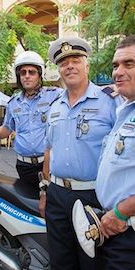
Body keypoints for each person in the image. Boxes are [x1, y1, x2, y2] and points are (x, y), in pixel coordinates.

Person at [42, 37, 123, 270]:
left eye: (75, 60)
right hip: (57, 195)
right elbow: (49, 149)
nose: (69, 66)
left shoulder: (110, 101)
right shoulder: (55, 106)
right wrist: (45, 189)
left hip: (93, 196)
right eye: (63, 63)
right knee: (60, 261)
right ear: (59, 70)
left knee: (93, 262)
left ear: (87, 65)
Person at [0, 51, 62, 194]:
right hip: (23, 165)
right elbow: (8, 127)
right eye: (23, 72)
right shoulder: (14, 102)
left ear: (39, 75)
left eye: (32, 72)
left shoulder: (55, 95)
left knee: (50, 205)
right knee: (29, 205)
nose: (27, 76)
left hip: (48, 163)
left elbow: (76, 94)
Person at [95, 35, 135, 270]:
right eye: (115, 65)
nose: (117, 72)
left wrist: (120, 212)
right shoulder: (125, 110)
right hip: (115, 229)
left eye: (129, 64)